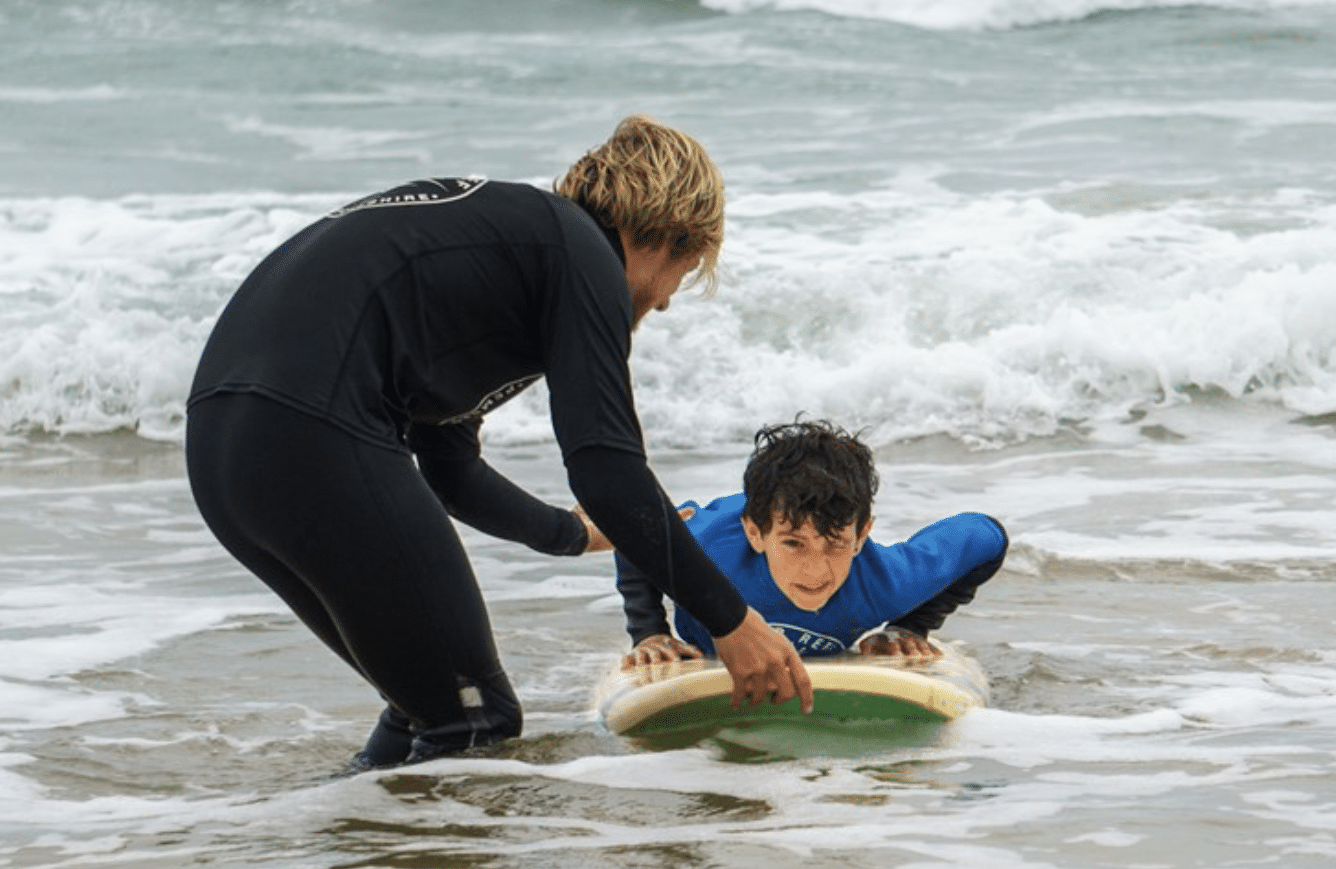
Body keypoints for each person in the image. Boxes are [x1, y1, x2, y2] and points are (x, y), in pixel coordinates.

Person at [185, 115, 812, 769]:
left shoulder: (507, 256)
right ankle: (405, 863)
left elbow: (451, 466)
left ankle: (356, 855)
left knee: (430, 703)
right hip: (310, 435)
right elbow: (607, 468)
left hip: (225, 451)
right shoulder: (581, 254)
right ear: (671, 233)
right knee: (474, 720)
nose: (665, 304)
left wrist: (570, 534)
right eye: (683, 274)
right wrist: (733, 623)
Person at [616, 420, 1008, 668]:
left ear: (861, 535)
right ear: (755, 533)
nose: (815, 570)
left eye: (835, 543)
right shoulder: (706, 555)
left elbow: (985, 535)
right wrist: (650, 631)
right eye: (793, 544)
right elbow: (630, 525)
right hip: (727, 522)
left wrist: (911, 626)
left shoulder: (883, 583)